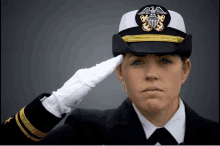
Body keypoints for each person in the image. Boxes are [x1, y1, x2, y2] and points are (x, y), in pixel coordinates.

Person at [1, 4, 219, 145]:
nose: (152, 74)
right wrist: (55, 105)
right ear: (120, 73)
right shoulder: (85, 134)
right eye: (137, 62)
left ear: (185, 70)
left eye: (165, 61)